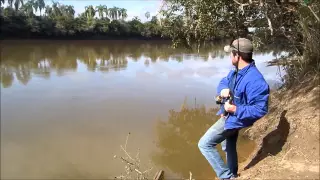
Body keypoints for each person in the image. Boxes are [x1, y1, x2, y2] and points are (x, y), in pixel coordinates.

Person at [198, 38, 270, 180]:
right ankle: (233, 173)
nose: (229, 56)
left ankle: (226, 177)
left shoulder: (255, 80)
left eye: (231, 53)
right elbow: (224, 81)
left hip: (235, 119)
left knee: (204, 144)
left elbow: (260, 109)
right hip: (229, 115)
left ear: (237, 56)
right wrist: (224, 89)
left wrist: (234, 110)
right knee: (228, 145)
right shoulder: (237, 71)